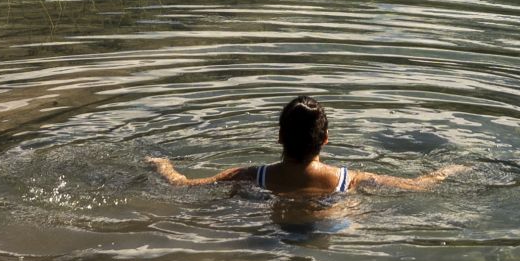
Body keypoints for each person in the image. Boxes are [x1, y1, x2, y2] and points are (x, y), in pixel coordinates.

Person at [147, 96, 466, 195]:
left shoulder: (248, 175)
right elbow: (418, 185)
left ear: (280, 137)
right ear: (325, 140)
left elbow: (183, 186)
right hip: (331, 227)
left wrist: (162, 164)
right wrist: (449, 170)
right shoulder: (351, 179)